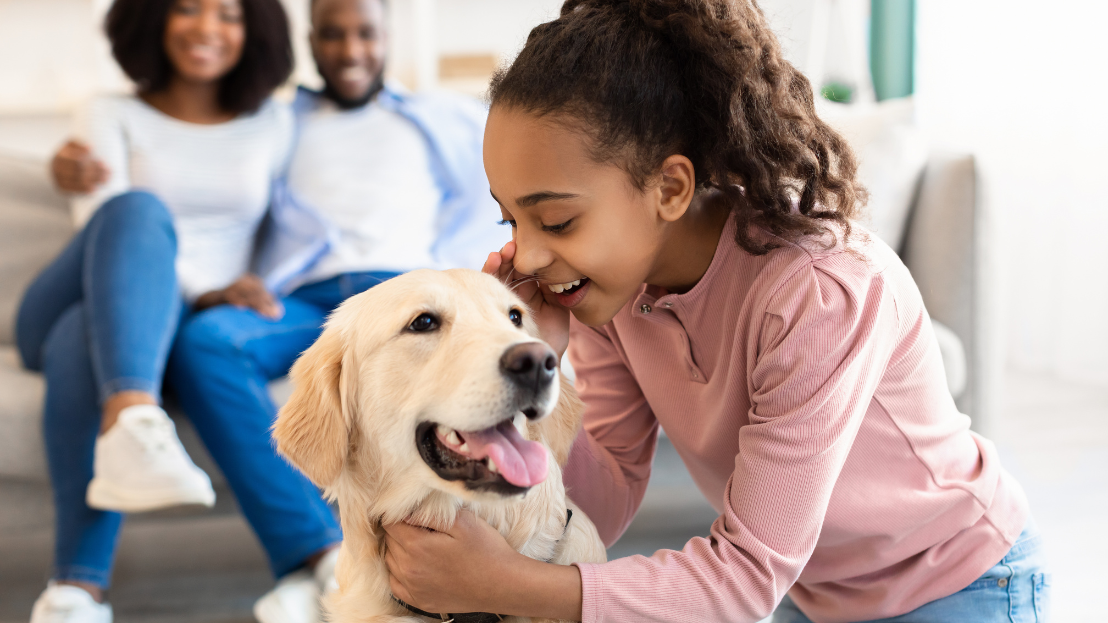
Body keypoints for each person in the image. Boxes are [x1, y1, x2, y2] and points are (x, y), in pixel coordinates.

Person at [379, 1, 1050, 622]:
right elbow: (601, 501)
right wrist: (531, 366)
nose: (523, 256)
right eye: (511, 218)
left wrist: (503, 584)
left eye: (556, 218)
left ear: (670, 187)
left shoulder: (819, 294)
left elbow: (743, 578)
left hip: (956, 581)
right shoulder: (617, 291)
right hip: (814, 590)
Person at [49, 0, 505, 621]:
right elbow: (206, 166)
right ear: (308, 41)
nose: (350, 51)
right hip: (307, 295)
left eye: (365, 34)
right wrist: (69, 165)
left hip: (403, 290)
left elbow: (499, 182)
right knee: (207, 340)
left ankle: (308, 567)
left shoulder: (443, 117)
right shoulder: (280, 119)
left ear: (388, 36)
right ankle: (317, 557)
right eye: (332, 35)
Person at [17, 0, 308, 621]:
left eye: (228, 14)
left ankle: (75, 593)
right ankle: (135, 414)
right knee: (136, 210)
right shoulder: (107, 113)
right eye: (186, 8)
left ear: (253, 28)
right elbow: (108, 237)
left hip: (132, 331)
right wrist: (206, 292)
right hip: (85, 294)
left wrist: (250, 290)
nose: (207, 27)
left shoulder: (273, 123)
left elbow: (291, 226)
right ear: (152, 18)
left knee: (81, 340)